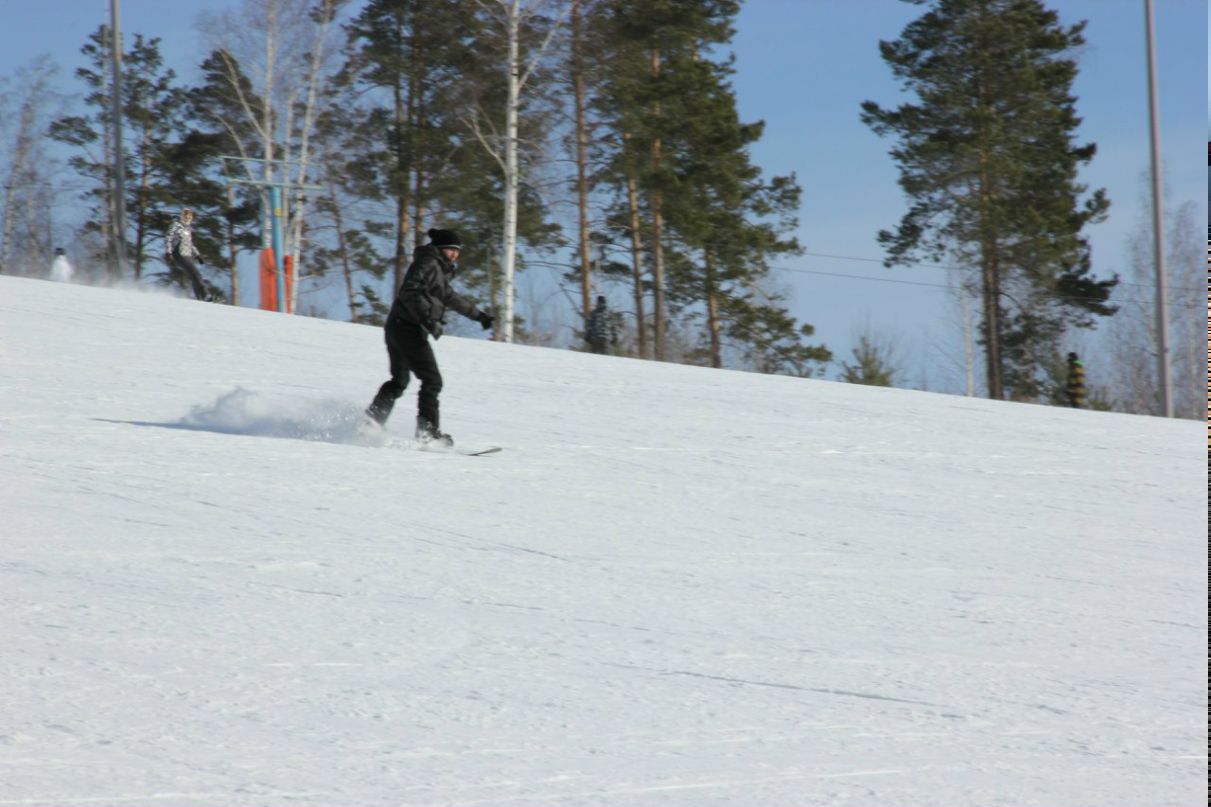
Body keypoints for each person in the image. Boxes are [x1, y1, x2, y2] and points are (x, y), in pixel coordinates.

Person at [365, 228, 494, 445]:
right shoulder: (428, 263)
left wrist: (479, 316)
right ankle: (427, 433)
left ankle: (372, 422)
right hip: (408, 328)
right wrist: (426, 318)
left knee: (399, 381)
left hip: (398, 326)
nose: (455, 255)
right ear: (440, 248)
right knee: (432, 381)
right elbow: (409, 291)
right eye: (451, 249)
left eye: (457, 251)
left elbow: (451, 298)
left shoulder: (437, 270)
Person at [164, 208, 209, 300]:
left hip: (187, 255)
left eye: (190, 216)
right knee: (196, 274)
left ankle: (200, 298)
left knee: (194, 276)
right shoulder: (176, 225)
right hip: (179, 254)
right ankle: (205, 295)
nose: (188, 218)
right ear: (182, 216)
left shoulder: (188, 229)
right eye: (186, 216)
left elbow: (190, 243)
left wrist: (198, 255)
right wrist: (168, 252)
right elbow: (168, 237)